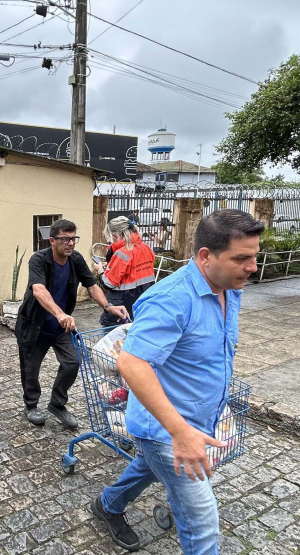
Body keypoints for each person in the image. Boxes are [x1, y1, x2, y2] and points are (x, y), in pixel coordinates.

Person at [91, 210, 263, 553]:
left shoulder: (229, 287)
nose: (252, 267)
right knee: (201, 524)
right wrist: (181, 432)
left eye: (255, 256)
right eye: (241, 258)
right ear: (205, 256)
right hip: (168, 430)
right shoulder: (172, 299)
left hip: (197, 421)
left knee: (148, 467)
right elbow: (131, 362)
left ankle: (107, 504)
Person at [15, 219, 128, 429]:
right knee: (31, 369)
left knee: (72, 362)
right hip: (35, 325)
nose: (70, 243)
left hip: (61, 327)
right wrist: (60, 314)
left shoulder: (75, 259)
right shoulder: (38, 260)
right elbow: (38, 289)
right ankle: (31, 405)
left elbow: (91, 285)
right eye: (65, 239)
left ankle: (57, 404)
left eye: (73, 238)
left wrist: (108, 306)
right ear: (52, 240)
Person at [94, 217, 155, 327]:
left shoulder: (122, 253)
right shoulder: (146, 247)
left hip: (121, 307)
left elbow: (108, 283)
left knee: (112, 341)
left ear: (115, 236)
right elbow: (133, 271)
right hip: (143, 304)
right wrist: (111, 266)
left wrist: (100, 270)